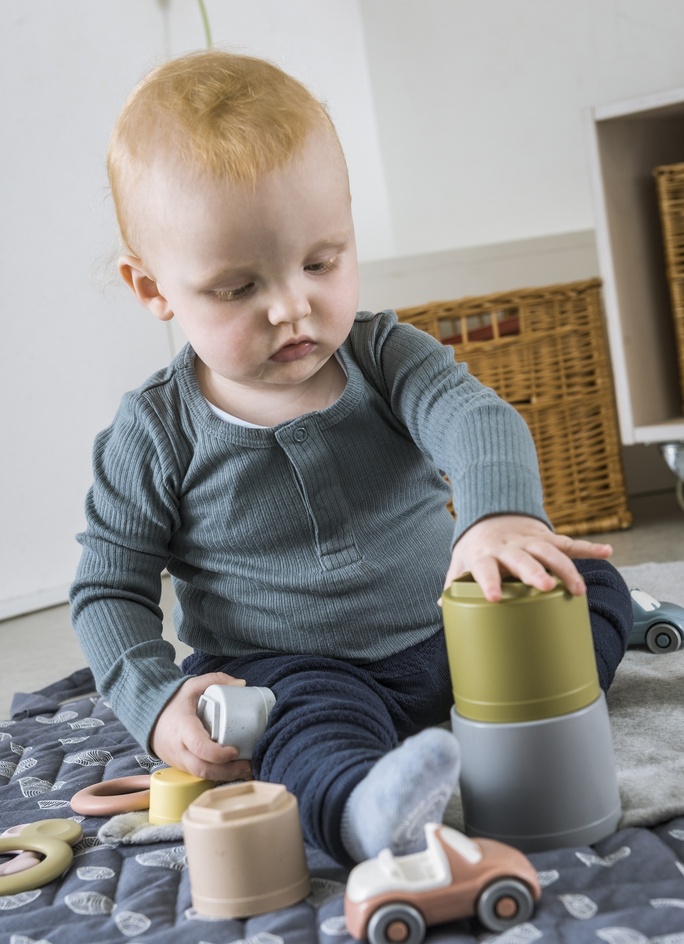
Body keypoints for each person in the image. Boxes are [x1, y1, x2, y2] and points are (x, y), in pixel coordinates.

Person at [70, 50, 632, 867]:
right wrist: (158, 703)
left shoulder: (384, 355)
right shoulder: (154, 431)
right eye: (239, 288)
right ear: (153, 288)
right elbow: (108, 589)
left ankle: (527, 703)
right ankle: (367, 808)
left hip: (454, 628)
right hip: (298, 672)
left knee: (586, 580)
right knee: (293, 734)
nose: (292, 306)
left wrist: (500, 521)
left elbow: (476, 420)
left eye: (320, 262)